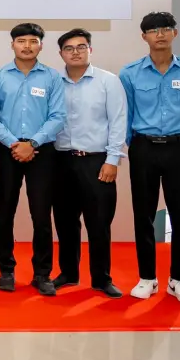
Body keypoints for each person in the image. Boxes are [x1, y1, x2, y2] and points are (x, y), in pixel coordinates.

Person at [120, 12, 180, 305]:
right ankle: (147, 278)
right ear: (144, 37)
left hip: (179, 148)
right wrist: (133, 146)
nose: (160, 34)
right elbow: (126, 115)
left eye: (166, 29)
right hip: (143, 147)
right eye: (153, 30)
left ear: (174, 34)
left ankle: (179, 280)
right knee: (143, 214)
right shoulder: (130, 73)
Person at [0, 22, 66, 296]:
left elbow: (58, 116)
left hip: (42, 152)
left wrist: (32, 143)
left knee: (42, 214)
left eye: (33, 41)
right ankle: (6, 270)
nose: (27, 46)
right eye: (21, 41)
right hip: (7, 152)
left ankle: (42, 274)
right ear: (12, 45)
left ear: (41, 45)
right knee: (5, 212)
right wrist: (13, 143)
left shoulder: (52, 78)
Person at [51, 29, 126, 299]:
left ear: (90, 50)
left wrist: (112, 160)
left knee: (99, 223)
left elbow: (118, 122)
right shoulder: (52, 82)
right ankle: (69, 273)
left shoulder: (108, 81)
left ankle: (101, 278)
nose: (76, 52)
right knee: (65, 222)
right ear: (61, 54)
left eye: (81, 47)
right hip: (60, 161)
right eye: (69, 48)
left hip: (96, 162)